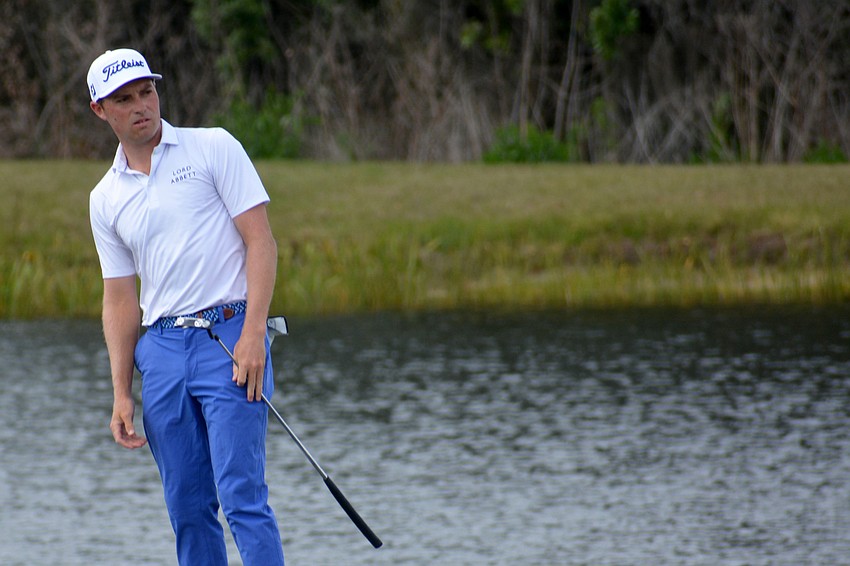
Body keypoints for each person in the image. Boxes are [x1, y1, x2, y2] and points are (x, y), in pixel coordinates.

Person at [86, 48, 285, 565]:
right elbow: (120, 298)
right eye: (124, 99)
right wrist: (121, 392)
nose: (141, 106)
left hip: (230, 335)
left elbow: (260, 242)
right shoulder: (104, 198)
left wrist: (254, 334)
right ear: (100, 111)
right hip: (164, 349)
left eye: (146, 91)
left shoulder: (212, 147)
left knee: (242, 497)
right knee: (188, 506)